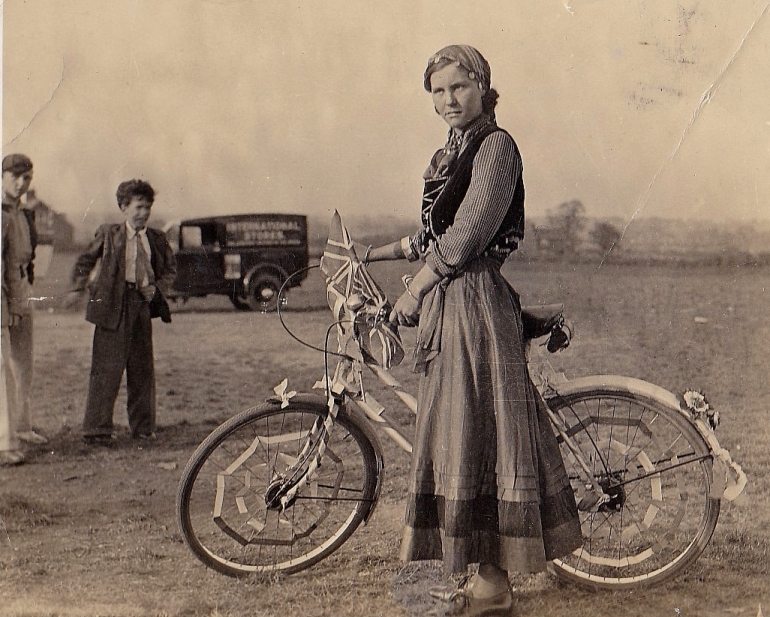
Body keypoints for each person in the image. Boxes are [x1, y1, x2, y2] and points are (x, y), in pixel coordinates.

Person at [364, 46, 582, 616]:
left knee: (483, 432)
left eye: (457, 88)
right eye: (436, 92)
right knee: (458, 433)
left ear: (483, 86)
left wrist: (414, 289)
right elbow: (431, 233)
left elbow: (469, 233)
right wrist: (372, 254)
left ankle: (495, 582)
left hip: (476, 303)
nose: (447, 101)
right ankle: (478, 572)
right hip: (449, 302)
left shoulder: (496, 146)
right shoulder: (448, 153)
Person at [67, 179, 176, 444]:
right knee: (106, 369)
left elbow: (171, 271)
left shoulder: (157, 238)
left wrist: (157, 289)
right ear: (124, 207)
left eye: (148, 207)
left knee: (142, 370)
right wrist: (79, 288)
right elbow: (84, 260)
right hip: (112, 307)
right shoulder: (108, 234)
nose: (143, 213)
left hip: (141, 307)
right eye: (138, 207)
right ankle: (97, 430)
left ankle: (143, 428)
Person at [1, 153, 48, 452]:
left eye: (27, 177)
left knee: (23, 363)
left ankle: (22, 427)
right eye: (15, 176)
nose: (21, 183)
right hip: (2, 295)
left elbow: (26, 262)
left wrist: (23, 300)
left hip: (21, 290)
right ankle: (5, 441)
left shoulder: (25, 214)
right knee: (2, 365)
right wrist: (10, 306)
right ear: (3, 176)